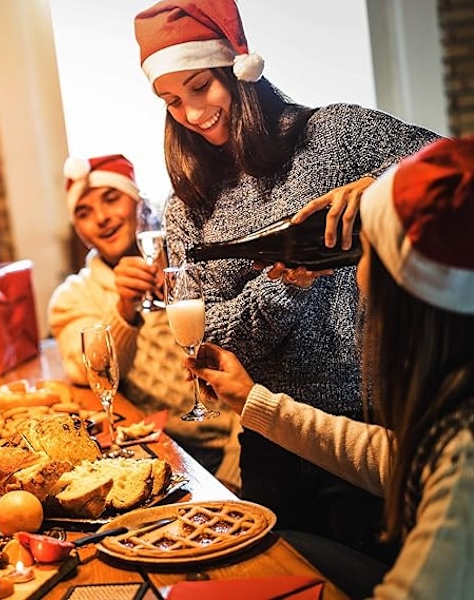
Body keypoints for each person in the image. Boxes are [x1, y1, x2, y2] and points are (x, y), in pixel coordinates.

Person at [133, 0, 441, 557]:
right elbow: (206, 334)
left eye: (201, 87)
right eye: (172, 100)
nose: (192, 113)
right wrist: (282, 285)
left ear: (238, 72)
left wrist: (384, 186)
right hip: (269, 432)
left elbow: (454, 176)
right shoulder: (188, 202)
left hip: (372, 426)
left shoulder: (336, 134)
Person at [186, 136, 474, 599]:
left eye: (367, 251)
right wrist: (248, 398)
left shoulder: (466, 463)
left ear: (411, 291)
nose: (354, 272)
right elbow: (394, 459)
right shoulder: (453, 425)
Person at [47, 154, 241, 490]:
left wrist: (232, 473)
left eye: (111, 199)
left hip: (239, 435)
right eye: (84, 212)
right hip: (165, 444)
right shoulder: (74, 295)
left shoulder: (192, 263)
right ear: (77, 229)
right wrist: (124, 309)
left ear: (139, 202)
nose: (102, 218)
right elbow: (86, 371)